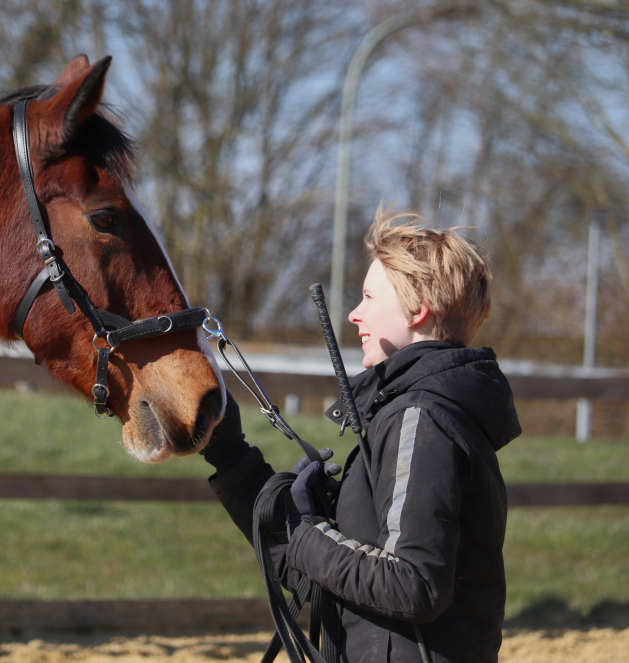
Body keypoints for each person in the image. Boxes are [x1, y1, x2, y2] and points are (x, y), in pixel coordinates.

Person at [200, 209, 521, 663]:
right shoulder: (414, 412)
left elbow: (414, 586)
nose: (354, 314)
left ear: (418, 308)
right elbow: (329, 578)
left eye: (369, 297)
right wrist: (231, 458)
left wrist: (308, 535)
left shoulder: (422, 418)